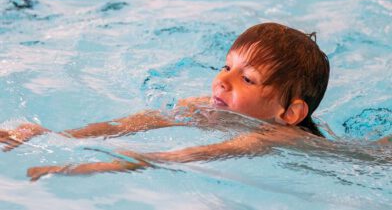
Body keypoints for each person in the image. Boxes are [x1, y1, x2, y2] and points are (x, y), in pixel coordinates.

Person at [1, 22, 331, 181]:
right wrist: (50, 134)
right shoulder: (204, 105)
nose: (222, 81)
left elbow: (179, 157)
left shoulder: (272, 135)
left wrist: (78, 167)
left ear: (289, 113)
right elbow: (128, 125)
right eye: (226, 67)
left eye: (246, 79)